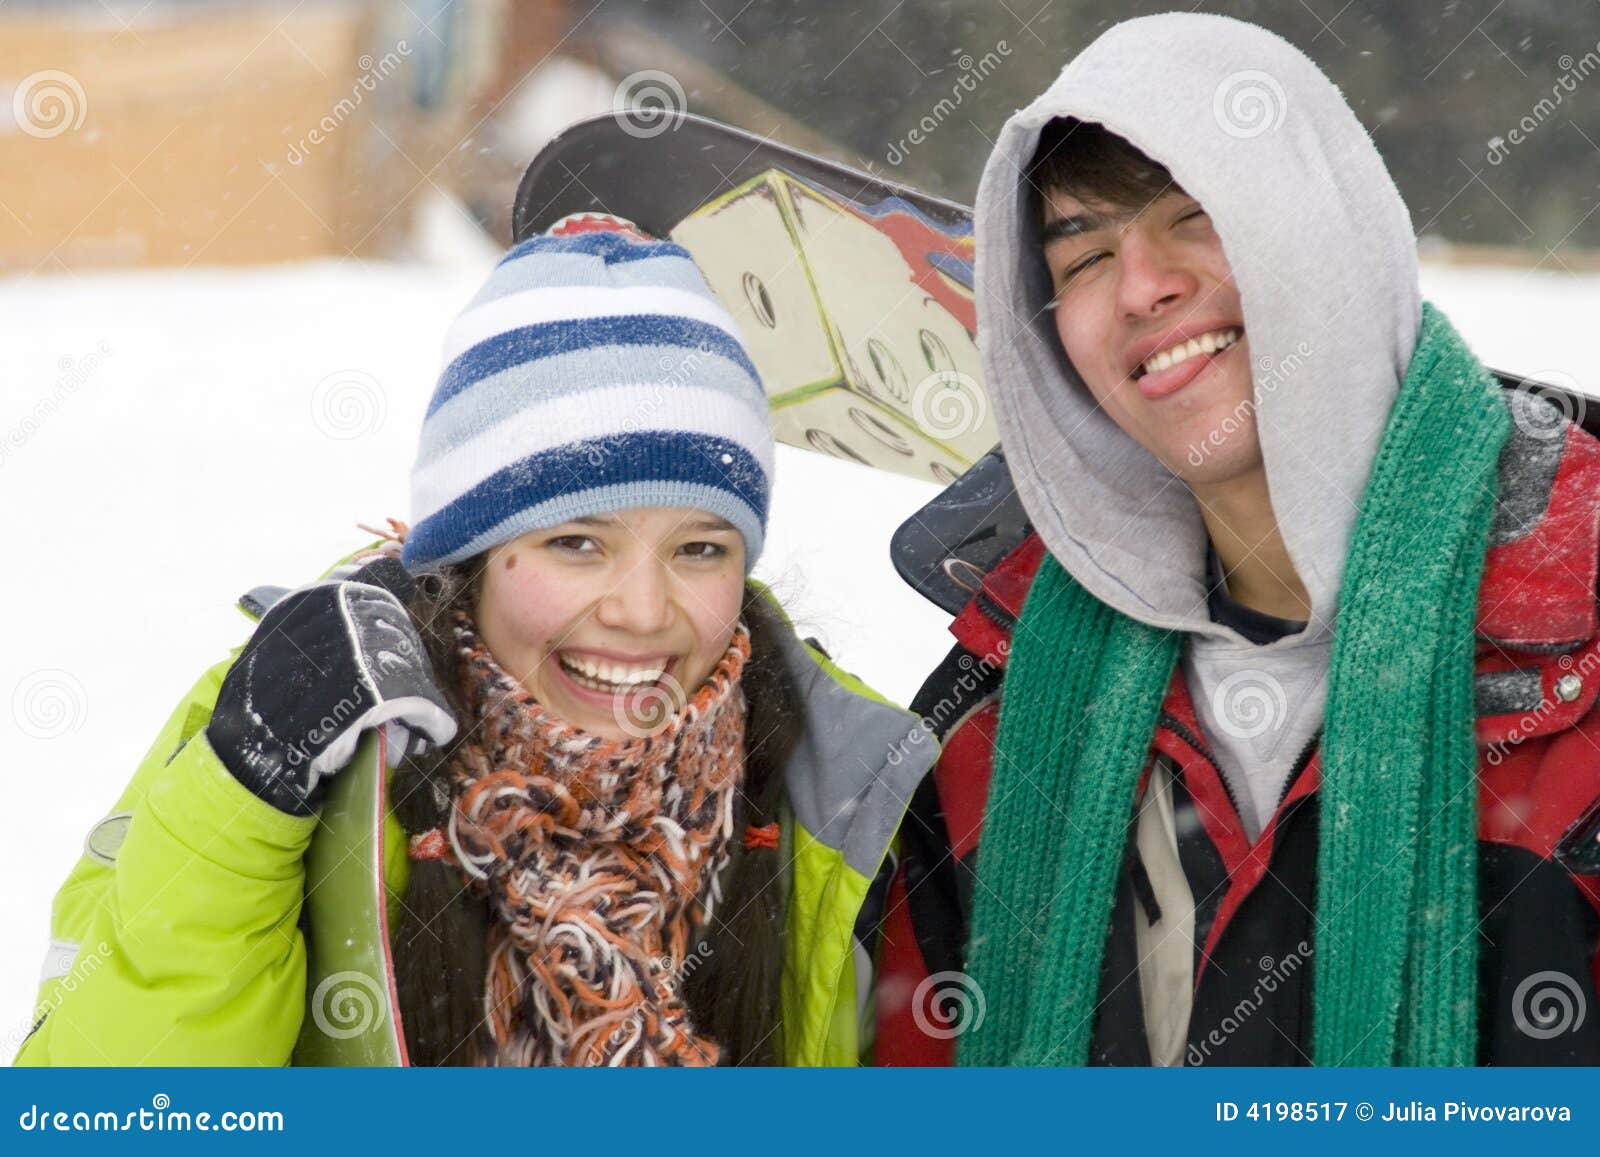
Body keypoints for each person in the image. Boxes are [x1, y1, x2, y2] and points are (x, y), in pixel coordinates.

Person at [17, 215, 933, 1067]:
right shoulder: (302, 731)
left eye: (700, 548)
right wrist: (241, 803)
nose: (644, 610)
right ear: (471, 555)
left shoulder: (839, 784)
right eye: (577, 542)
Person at [874, 13, 1600, 1066]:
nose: (1139, 286)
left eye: (1193, 218)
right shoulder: (1000, 714)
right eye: (1082, 255)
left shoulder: (1573, 662)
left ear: (1326, 236)